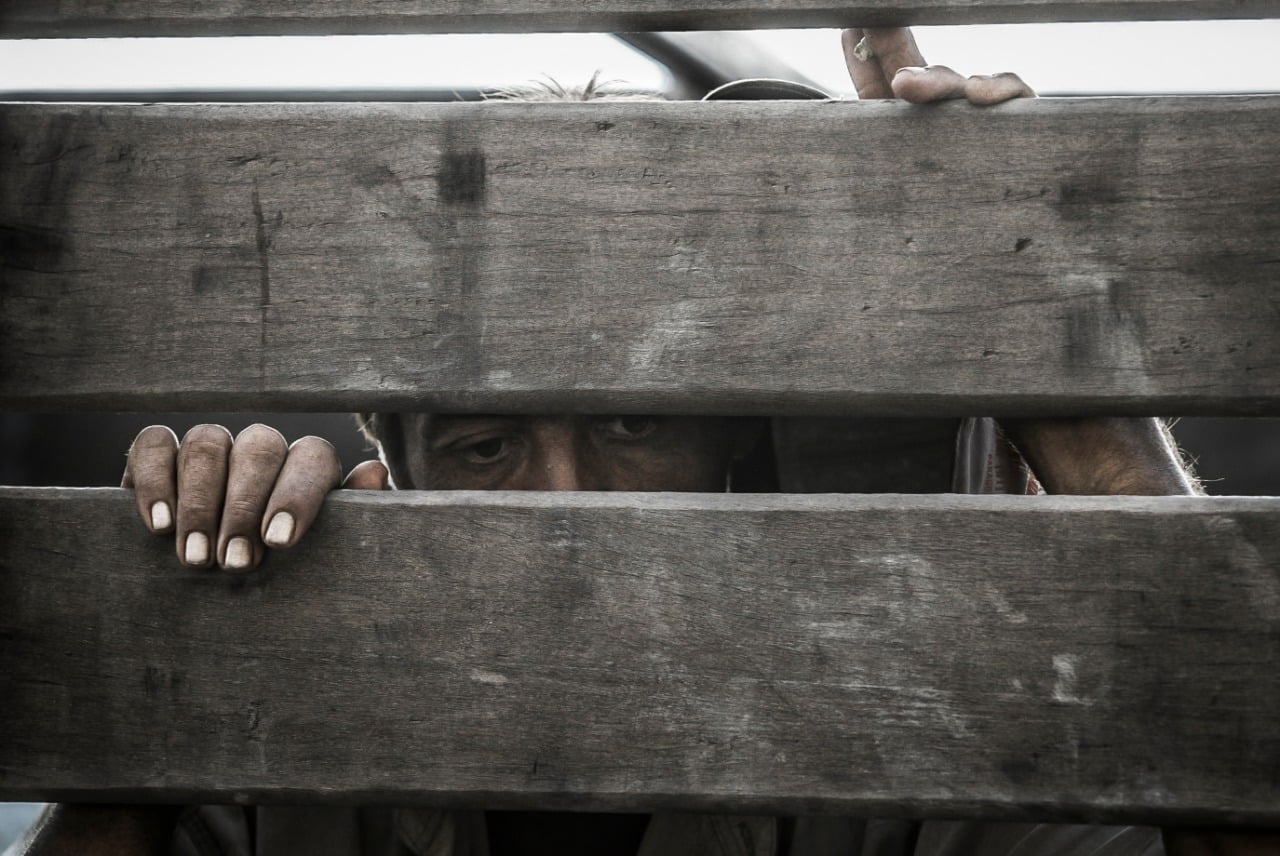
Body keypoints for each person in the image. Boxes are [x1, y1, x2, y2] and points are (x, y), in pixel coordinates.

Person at [14, 26, 1269, 856]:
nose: (565, 501)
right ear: (390, 467)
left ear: (732, 446)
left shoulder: (897, 731)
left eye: (631, 422)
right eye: (486, 446)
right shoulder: (294, 745)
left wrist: (1046, 349)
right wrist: (171, 665)